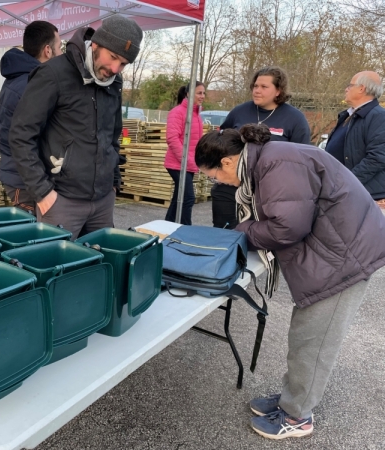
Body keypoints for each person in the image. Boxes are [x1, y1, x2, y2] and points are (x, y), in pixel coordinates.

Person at [195, 124, 385, 440]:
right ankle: (291, 398)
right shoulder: (268, 159)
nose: (219, 182)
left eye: (214, 176)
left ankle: (297, 415)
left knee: (313, 340)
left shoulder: (275, 163)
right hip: (334, 248)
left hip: (344, 259)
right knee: (305, 334)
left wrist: (240, 235)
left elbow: (286, 228)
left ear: (227, 162)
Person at [9, 16, 143, 238]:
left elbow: (112, 137)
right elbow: (21, 135)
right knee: (58, 269)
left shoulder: (114, 84)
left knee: (100, 267)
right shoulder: (54, 74)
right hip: (61, 201)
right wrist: (43, 193)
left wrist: (114, 182)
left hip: (102, 201)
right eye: (113, 57)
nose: (115, 68)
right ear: (97, 44)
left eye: (123, 64)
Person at [212, 67, 311, 229]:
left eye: (264, 87)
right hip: (232, 189)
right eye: (255, 86)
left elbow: (301, 161)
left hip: (269, 193)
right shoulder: (239, 111)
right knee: (226, 235)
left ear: (278, 90)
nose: (257, 91)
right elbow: (219, 142)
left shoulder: (295, 119)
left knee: (258, 241)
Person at [0, 21, 63, 212]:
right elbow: (24, 139)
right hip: (26, 181)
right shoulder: (31, 85)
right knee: (35, 238)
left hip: (21, 176)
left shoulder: (19, 78)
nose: (61, 54)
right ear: (48, 50)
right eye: (59, 47)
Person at [325, 71, 385, 203]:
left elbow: (377, 158)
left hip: (364, 195)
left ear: (361, 88)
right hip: (343, 191)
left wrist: (347, 180)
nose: (346, 89)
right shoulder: (349, 115)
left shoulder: (378, 117)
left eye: (350, 85)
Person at [163, 82, 205, 225]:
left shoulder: (196, 115)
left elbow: (195, 141)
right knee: (188, 198)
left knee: (178, 198)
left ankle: (166, 226)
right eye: (199, 93)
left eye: (203, 93)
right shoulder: (178, 112)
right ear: (188, 94)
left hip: (189, 164)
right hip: (177, 164)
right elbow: (172, 139)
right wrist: (186, 160)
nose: (202, 96)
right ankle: (186, 229)